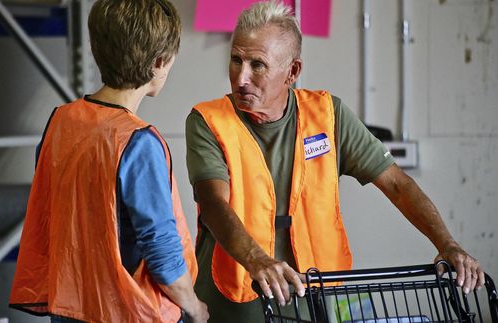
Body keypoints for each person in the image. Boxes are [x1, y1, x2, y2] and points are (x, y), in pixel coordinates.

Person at [185, 1, 484, 322]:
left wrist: (447, 244)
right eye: (235, 60)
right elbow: (214, 203)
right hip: (233, 301)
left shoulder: (327, 116)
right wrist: (257, 259)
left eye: (257, 65)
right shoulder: (208, 121)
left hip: (312, 297)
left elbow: (397, 184)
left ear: (293, 72)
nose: (241, 77)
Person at [9, 0, 208, 322]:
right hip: (126, 310)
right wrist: (195, 307)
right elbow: (161, 249)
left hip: (71, 306)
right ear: (159, 62)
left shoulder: (60, 121)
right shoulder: (138, 142)